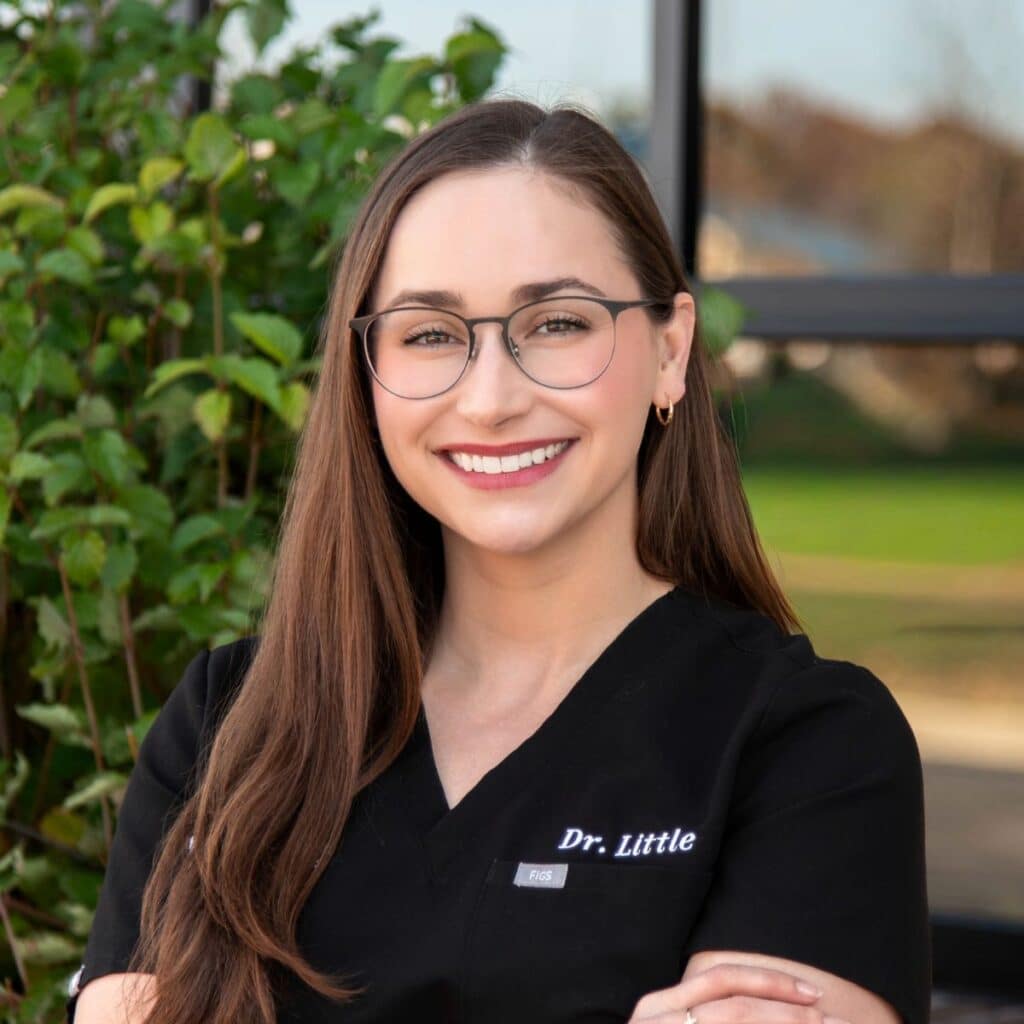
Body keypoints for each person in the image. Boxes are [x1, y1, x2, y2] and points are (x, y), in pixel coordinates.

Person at [67, 97, 931, 1024]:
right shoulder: (227, 729)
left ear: (671, 351)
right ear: (366, 377)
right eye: (430, 334)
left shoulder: (808, 749)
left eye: (557, 323)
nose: (489, 399)